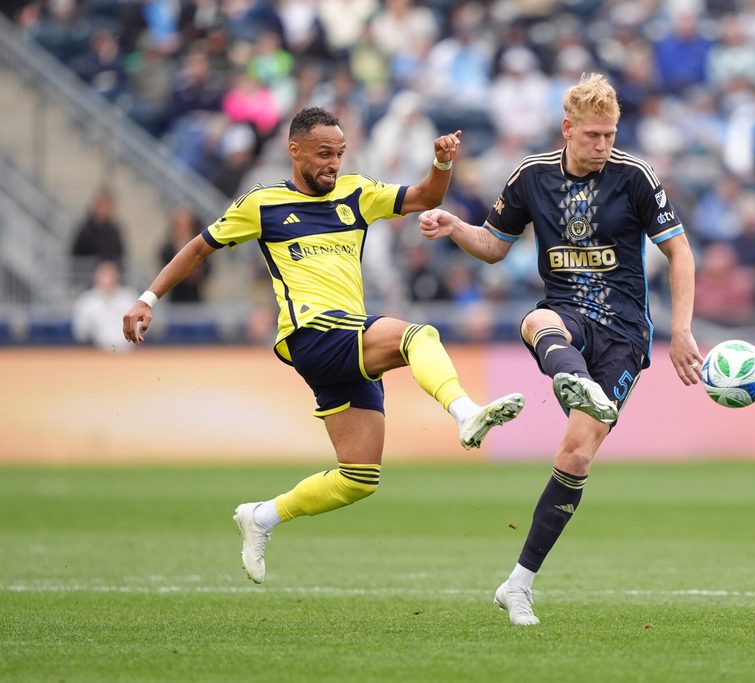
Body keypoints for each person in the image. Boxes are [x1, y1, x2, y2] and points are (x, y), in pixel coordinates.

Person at [122, 106, 525, 584]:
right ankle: (465, 412)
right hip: (311, 335)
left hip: (347, 336)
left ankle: (262, 516)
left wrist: (442, 162)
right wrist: (148, 299)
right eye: (323, 154)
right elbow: (198, 248)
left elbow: (424, 197)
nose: (334, 164)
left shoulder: (357, 193)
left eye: (339, 153)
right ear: (295, 151)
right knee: (418, 335)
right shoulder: (263, 204)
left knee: (359, 478)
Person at [418, 74, 703, 625]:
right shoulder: (532, 176)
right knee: (537, 319)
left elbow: (681, 252)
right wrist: (454, 225)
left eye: (610, 135)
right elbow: (493, 247)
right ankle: (577, 381)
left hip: (624, 334)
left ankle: (517, 585)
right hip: (567, 315)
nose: (603, 145)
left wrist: (683, 330)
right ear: (568, 129)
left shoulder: (635, 176)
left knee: (575, 456)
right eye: (593, 135)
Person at [72, 260, 138, 353]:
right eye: (103, 275)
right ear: (96, 277)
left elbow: (141, 328)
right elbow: (81, 332)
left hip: (130, 352)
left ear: (117, 276)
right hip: (96, 353)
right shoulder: (86, 300)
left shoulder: (129, 297)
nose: (107, 280)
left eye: (111, 275)